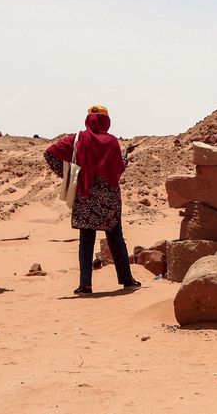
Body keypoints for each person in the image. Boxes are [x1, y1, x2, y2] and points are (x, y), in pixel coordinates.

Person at [44, 106, 140, 295]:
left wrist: (70, 175)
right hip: (109, 198)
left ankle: (85, 285)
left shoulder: (77, 139)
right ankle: (127, 280)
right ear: (106, 121)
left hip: (85, 195)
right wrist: (125, 155)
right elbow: (117, 169)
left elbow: (49, 153)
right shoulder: (111, 141)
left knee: (86, 241)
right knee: (116, 238)